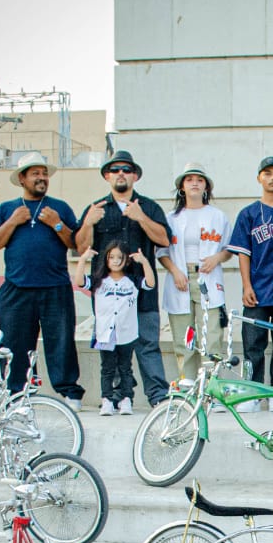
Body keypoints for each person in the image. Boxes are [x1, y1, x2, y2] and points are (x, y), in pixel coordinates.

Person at [0, 151, 82, 405]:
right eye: (35, 173)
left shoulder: (59, 208)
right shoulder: (7, 209)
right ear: (22, 179)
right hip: (17, 287)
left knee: (60, 341)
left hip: (55, 286)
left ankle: (69, 391)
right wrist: (13, 222)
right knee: (15, 343)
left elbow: (77, 244)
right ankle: (18, 393)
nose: (42, 178)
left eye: (44, 173)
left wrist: (57, 224)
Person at [76, 150, 171, 406]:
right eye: (115, 169)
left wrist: (141, 218)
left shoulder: (148, 206)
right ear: (107, 176)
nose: (121, 173)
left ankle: (158, 398)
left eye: (126, 170)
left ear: (135, 176)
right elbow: (79, 247)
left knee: (148, 345)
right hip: (108, 296)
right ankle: (117, 397)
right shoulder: (96, 208)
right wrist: (87, 223)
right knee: (112, 347)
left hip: (142, 292)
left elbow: (164, 239)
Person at [228, 156, 273, 412]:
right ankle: (252, 392)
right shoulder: (248, 213)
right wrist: (246, 285)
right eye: (267, 173)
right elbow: (243, 253)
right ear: (259, 177)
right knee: (253, 343)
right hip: (258, 289)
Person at [156, 162, 232, 387]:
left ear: (206, 186)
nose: (195, 183)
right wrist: (175, 271)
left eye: (199, 180)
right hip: (180, 278)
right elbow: (162, 251)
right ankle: (188, 381)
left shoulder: (218, 216)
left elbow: (229, 249)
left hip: (208, 278)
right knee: (184, 334)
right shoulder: (171, 218)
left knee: (211, 335)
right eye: (189, 180)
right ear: (182, 186)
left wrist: (216, 258)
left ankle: (212, 384)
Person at [75, 243, 153, 416]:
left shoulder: (132, 280)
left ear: (126, 260)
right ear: (106, 259)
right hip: (105, 333)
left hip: (127, 332)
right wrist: (83, 259)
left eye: (120, 257)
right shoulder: (99, 280)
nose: (116, 261)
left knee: (125, 367)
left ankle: (126, 399)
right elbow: (79, 281)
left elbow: (150, 283)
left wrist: (144, 262)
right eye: (112, 257)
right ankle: (107, 400)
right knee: (107, 368)